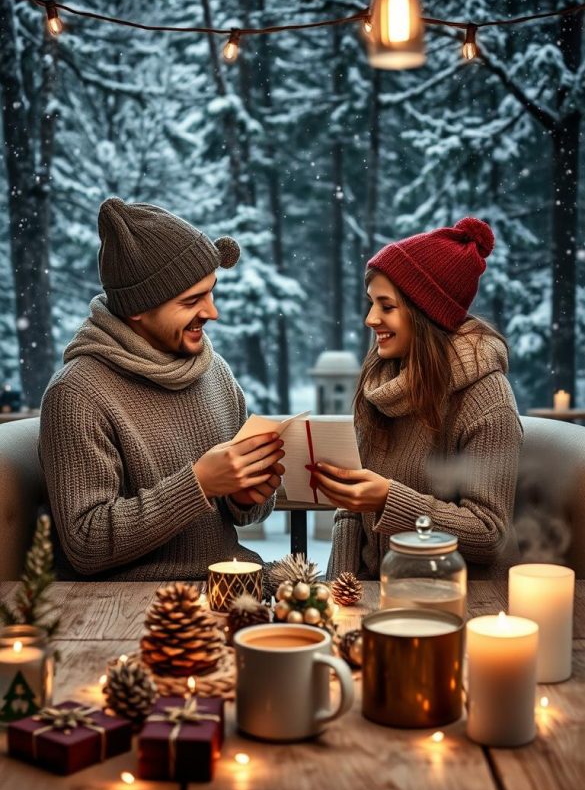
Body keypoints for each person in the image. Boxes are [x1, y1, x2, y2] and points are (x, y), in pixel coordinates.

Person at [39, 197, 284, 581]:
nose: (212, 312)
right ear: (138, 307)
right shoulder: (77, 395)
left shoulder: (213, 370)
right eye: (192, 300)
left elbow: (243, 515)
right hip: (135, 606)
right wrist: (198, 483)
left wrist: (245, 496)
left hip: (230, 585)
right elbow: (85, 542)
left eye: (211, 291)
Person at [312, 217, 523, 580]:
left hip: (459, 602)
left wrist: (388, 500)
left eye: (386, 306)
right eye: (371, 304)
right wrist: (337, 591)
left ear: (426, 313)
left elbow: (490, 535)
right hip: (381, 593)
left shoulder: (488, 400)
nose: (370, 319)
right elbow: (351, 512)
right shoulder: (382, 383)